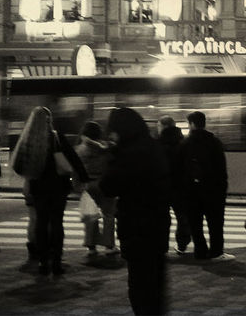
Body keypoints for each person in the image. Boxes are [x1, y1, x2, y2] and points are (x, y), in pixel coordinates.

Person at [100, 108, 171, 315]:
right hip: (158, 224)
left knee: (139, 286)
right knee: (156, 285)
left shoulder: (127, 154)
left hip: (136, 227)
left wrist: (112, 154)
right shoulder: (154, 147)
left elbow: (108, 186)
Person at [10, 106, 88, 275]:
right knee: (57, 223)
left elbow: (17, 166)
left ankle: (43, 262)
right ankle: (57, 262)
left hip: (38, 188)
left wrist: (31, 174)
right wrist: (83, 178)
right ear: (49, 120)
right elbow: (74, 160)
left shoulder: (27, 139)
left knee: (41, 223)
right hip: (59, 188)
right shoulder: (56, 138)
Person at [179, 111, 233, 261]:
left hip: (192, 192)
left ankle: (200, 251)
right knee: (215, 223)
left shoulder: (185, 144)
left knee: (195, 224)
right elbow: (221, 169)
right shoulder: (214, 142)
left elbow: (180, 169)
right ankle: (216, 252)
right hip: (213, 191)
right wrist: (222, 189)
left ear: (192, 124)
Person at [74, 121, 117, 257]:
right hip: (106, 183)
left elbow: (75, 169)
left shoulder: (80, 149)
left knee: (90, 215)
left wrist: (77, 186)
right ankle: (109, 246)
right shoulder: (107, 148)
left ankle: (91, 247)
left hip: (88, 185)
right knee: (109, 215)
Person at [157, 115, 191, 256]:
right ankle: (182, 244)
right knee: (182, 216)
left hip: (162, 186)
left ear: (163, 126)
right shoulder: (184, 143)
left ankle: (161, 246)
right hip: (180, 186)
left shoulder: (157, 144)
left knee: (161, 217)